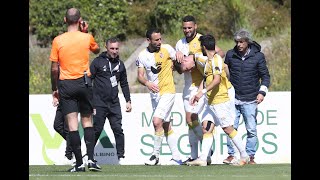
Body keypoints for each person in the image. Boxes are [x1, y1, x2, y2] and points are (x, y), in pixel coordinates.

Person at [50, 7, 101, 172]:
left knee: (72, 125)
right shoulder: (87, 37)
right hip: (84, 83)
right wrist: (86, 31)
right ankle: (92, 160)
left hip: (66, 85)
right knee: (87, 122)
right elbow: (97, 49)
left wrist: (54, 89)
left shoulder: (58, 40)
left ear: (65, 20)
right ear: (80, 21)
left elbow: (54, 68)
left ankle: (79, 163)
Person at [187, 34, 249, 166]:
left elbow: (216, 80)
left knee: (228, 129)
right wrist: (198, 93)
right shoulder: (209, 61)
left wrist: (202, 92)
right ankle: (203, 159)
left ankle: (244, 156)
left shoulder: (216, 60)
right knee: (206, 128)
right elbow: (206, 79)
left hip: (220, 100)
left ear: (203, 47)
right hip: (211, 102)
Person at [175, 15, 225, 165]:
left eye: (190, 27)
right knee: (190, 121)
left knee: (192, 118)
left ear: (195, 26)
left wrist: (198, 58)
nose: (187, 30)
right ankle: (197, 154)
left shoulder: (202, 40)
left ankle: (206, 150)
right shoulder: (179, 43)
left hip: (201, 86)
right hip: (187, 86)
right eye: (184, 28)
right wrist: (178, 62)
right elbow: (180, 69)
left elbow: (220, 54)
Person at [223, 28, 270, 165]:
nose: (239, 45)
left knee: (251, 130)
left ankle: (250, 156)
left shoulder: (258, 56)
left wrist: (262, 92)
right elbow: (225, 74)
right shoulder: (230, 55)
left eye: (241, 42)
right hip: (233, 99)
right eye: (237, 42)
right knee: (231, 128)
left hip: (251, 99)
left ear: (247, 42)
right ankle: (231, 155)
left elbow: (265, 76)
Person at [136, 28, 182, 166]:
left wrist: (179, 54)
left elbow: (179, 59)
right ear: (148, 41)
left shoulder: (167, 49)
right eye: (156, 40)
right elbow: (140, 76)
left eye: (160, 39)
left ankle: (155, 156)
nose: (159, 42)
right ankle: (177, 158)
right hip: (155, 95)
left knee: (156, 122)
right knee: (166, 125)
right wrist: (147, 83)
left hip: (168, 91)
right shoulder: (142, 55)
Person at [90, 37, 132, 165]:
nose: (114, 51)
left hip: (114, 103)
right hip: (98, 103)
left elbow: (124, 84)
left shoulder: (120, 65)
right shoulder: (97, 62)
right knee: (96, 129)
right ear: (106, 48)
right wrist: (89, 101)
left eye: (116, 49)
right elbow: (88, 80)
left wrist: (128, 100)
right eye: (112, 48)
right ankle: (89, 156)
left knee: (118, 129)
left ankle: (121, 156)